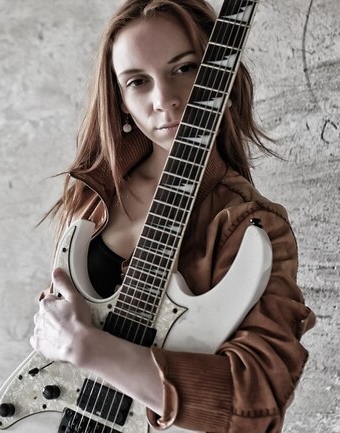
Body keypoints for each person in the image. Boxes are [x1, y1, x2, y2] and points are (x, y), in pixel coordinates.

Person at [29, 0, 316, 432]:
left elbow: (259, 400)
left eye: (184, 68)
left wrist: (90, 348)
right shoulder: (93, 195)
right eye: (138, 82)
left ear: (220, 75)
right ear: (121, 101)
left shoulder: (252, 226)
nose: (164, 100)